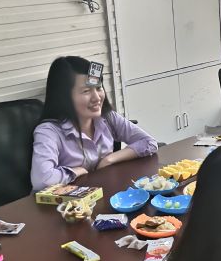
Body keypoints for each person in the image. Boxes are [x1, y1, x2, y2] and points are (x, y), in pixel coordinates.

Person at [31, 56, 157, 191]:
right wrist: (76, 171)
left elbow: (149, 142)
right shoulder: (49, 131)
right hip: (68, 202)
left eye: (98, 88)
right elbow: (41, 180)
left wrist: (109, 159)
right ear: (64, 97)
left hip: (102, 193)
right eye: (86, 91)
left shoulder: (108, 117)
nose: (97, 98)